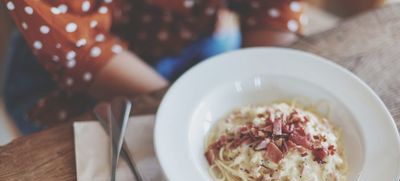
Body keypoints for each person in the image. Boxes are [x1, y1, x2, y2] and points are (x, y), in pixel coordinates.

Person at [3, 0, 306, 134]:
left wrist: (261, 98)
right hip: (67, 63)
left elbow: (272, 10)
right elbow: (87, 55)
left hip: (196, 40)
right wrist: (194, 116)